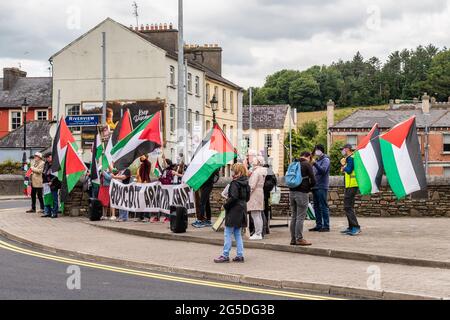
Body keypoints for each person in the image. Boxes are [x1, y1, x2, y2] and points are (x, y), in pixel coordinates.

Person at [214, 163, 250, 263]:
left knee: (228, 233)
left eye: (233, 171)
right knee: (238, 233)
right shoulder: (246, 183)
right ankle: (240, 255)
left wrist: (225, 205)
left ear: (238, 172)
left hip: (234, 210)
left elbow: (233, 197)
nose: (232, 173)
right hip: (242, 209)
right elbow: (247, 198)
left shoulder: (235, 183)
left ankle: (225, 255)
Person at [289, 151, 316, 246]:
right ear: (308, 156)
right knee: (300, 217)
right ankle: (299, 239)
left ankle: (293, 239)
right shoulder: (306, 164)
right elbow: (313, 180)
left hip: (291, 192)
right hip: (302, 193)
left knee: (294, 216)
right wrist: (309, 187)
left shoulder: (293, 163)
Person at [310, 144, 331, 232]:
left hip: (322, 186)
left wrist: (314, 164)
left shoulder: (326, 160)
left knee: (323, 206)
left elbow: (323, 171)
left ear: (321, 150)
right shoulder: (317, 160)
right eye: (315, 150)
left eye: (317, 150)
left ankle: (326, 226)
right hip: (315, 186)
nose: (316, 152)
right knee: (316, 207)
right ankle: (318, 225)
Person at [341, 144, 361, 236]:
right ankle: (351, 227)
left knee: (347, 207)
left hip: (351, 185)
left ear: (348, 149)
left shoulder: (351, 158)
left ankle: (356, 227)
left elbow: (349, 170)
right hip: (351, 185)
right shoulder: (351, 157)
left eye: (343, 149)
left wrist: (344, 166)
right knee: (349, 206)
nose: (342, 150)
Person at [247, 156, 268, 240]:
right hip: (260, 192)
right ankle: (258, 232)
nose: (252, 161)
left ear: (258, 162)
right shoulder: (262, 171)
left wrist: (247, 194)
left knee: (255, 214)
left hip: (255, 193)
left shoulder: (256, 172)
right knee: (258, 214)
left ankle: (257, 233)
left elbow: (252, 185)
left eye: (254, 160)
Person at [42, 153, 61, 218]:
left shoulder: (56, 164)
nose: (47, 158)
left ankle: (54, 213)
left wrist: (51, 181)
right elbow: (44, 173)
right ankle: (48, 212)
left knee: (54, 199)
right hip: (46, 184)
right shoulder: (46, 164)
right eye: (46, 157)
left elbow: (58, 175)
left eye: (48, 157)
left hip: (54, 184)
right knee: (47, 198)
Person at [135, 155, 152, 222]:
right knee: (140, 201)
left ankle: (147, 216)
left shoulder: (148, 164)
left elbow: (147, 163)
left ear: (146, 157)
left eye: (143, 156)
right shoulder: (141, 165)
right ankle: (140, 216)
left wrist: (145, 159)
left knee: (146, 200)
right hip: (140, 184)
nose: (141, 157)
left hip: (146, 183)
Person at [263, 164, 277, 235]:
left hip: (262, 194)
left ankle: (264, 228)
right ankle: (266, 228)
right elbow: (275, 182)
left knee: (261, 212)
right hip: (266, 194)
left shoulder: (263, 172)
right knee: (265, 212)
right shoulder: (271, 172)